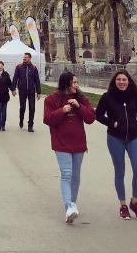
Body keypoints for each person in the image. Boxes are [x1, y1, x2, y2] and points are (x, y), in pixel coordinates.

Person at [43, 72, 95, 223]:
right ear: (66, 83)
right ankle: (69, 206)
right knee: (67, 174)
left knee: (76, 176)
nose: (76, 85)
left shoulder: (81, 98)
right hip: (61, 143)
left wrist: (79, 107)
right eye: (74, 83)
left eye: (77, 83)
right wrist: (62, 111)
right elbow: (48, 119)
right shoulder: (52, 99)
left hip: (78, 142)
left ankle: (71, 206)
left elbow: (91, 118)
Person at [96, 70, 137, 220]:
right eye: (118, 79)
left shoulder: (135, 96)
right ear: (114, 81)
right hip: (115, 138)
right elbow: (98, 114)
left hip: (133, 138)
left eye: (124, 79)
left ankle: (135, 202)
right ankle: (123, 205)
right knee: (120, 171)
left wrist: (135, 125)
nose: (121, 82)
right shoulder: (107, 97)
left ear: (128, 81)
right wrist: (112, 123)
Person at [11, 52, 41, 132]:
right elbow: (15, 78)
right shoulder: (19, 67)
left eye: (26, 57)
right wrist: (13, 89)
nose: (24, 58)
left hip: (31, 91)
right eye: (24, 57)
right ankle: (21, 120)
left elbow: (37, 81)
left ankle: (30, 125)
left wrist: (38, 92)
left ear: (30, 58)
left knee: (32, 108)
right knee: (22, 107)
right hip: (22, 90)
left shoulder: (34, 68)